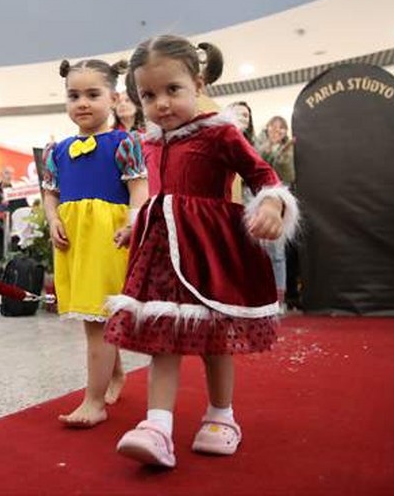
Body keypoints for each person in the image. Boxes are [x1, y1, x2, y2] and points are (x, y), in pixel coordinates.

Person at [103, 35, 299, 468]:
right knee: (162, 336)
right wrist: (134, 225)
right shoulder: (149, 142)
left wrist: (270, 203)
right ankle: (157, 424)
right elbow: (157, 194)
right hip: (160, 251)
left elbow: (263, 176)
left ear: (197, 82)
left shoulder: (220, 133)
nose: (162, 104)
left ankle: (222, 415)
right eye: (149, 95)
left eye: (173, 90)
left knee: (214, 338)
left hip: (210, 249)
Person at [42, 58, 148, 426]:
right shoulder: (57, 150)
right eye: (73, 95)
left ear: (114, 98)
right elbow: (50, 192)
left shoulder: (125, 142)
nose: (82, 103)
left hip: (108, 238)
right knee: (95, 318)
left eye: (92, 94)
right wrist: (53, 218)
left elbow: (139, 188)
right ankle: (114, 375)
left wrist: (134, 224)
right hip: (73, 240)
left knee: (98, 320)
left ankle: (94, 401)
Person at [254, 115, 296, 308]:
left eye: (281, 128)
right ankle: (259, 297)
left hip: (281, 203)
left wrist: (282, 156)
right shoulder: (256, 146)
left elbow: (288, 176)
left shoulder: (289, 150)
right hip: (256, 202)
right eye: (273, 127)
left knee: (278, 253)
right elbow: (255, 170)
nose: (277, 131)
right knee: (256, 251)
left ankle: (278, 300)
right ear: (267, 128)